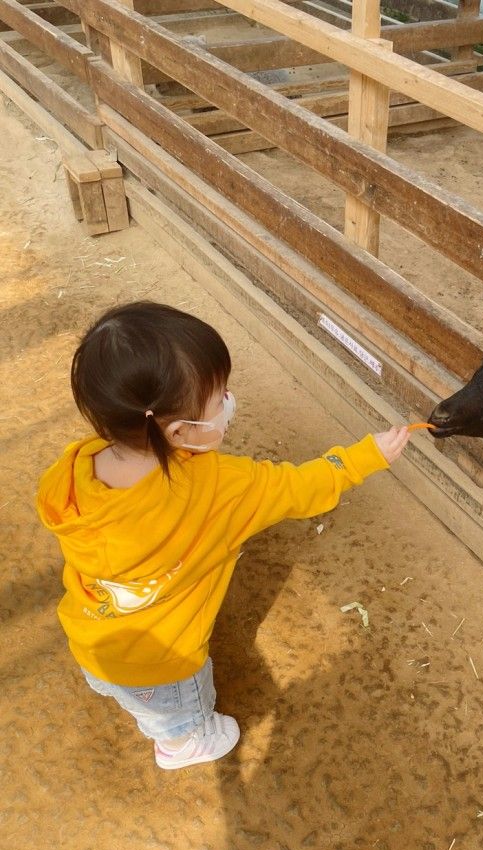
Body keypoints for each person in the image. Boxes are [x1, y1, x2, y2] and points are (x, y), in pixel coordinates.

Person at [37, 301, 410, 770]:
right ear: (177, 430)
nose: (229, 402)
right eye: (219, 399)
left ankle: (147, 712)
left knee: (131, 694)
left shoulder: (70, 473)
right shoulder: (221, 489)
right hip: (165, 664)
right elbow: (300, 488)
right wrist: (363, 457)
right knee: (176, 716)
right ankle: (181, 745)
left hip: (90, 634)